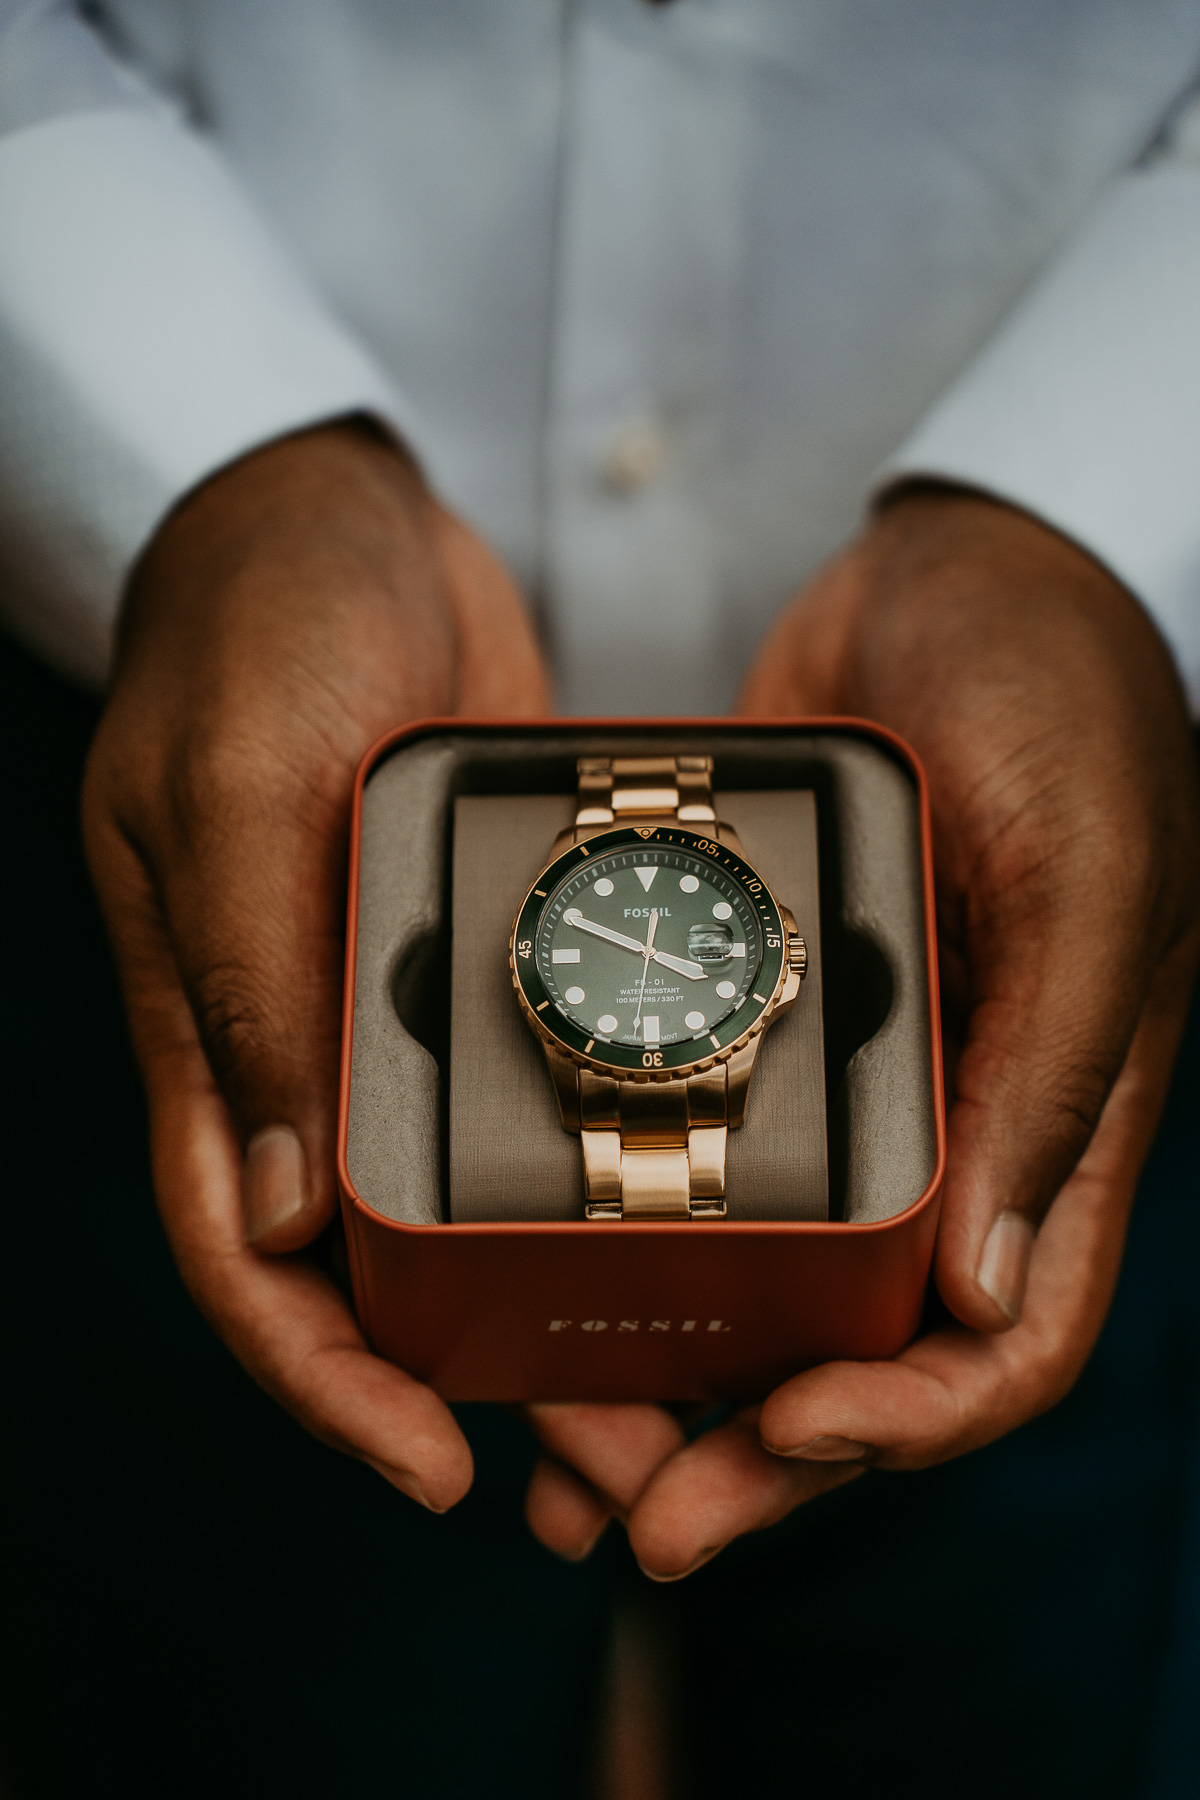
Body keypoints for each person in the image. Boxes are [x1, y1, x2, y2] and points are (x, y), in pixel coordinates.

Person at [0, 4, 1198, 1794]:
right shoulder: (644, 959)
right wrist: (201, 473)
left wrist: (1112, 526)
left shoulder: (717, 957)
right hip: (215, 805)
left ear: (773, 960)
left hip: (1044, 885)